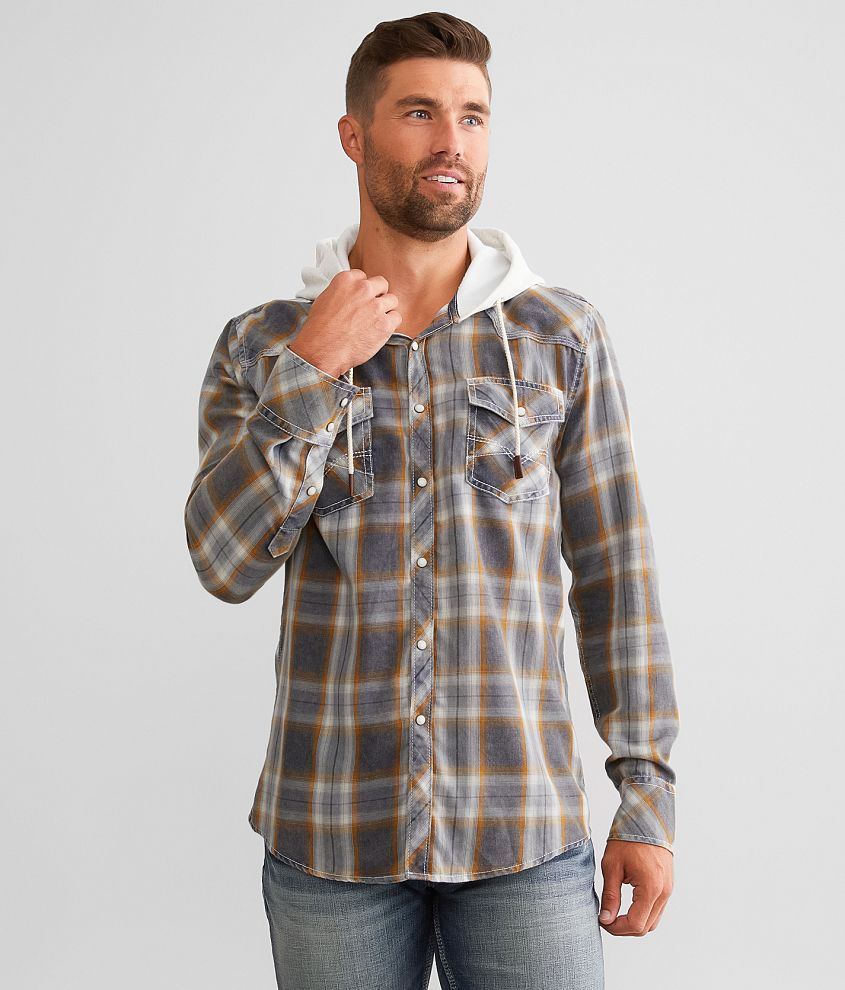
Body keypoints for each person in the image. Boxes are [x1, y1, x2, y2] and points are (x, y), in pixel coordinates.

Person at [183, 11, 680, 989]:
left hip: (523, 834)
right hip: (329, 837)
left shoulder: (560, 337)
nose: (452, 141)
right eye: (419, 112)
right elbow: (222, 563)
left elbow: (615, 577)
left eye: (472, 116)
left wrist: (646, 798)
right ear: (353, 135)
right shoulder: (262, 345)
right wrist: (312, 369)